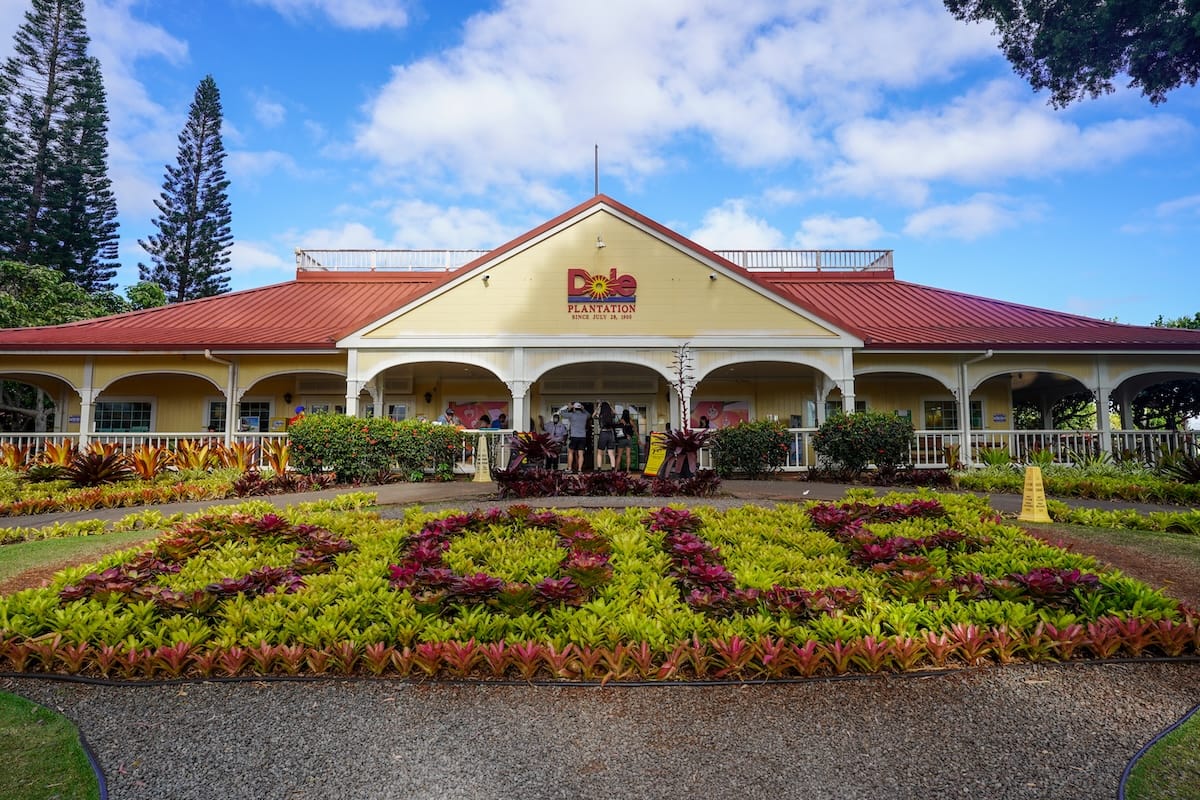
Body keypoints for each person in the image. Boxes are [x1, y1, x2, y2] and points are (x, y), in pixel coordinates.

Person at [561, 402, 590, 473]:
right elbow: (589, 415)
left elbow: (561, 413)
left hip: (574, 436)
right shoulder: (584, 415)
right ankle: (579, 470)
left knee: (570, 452)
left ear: (574, 408)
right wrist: (584, 409)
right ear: (580, 408)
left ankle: (570, 468)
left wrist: (568, 407)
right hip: (582, 437)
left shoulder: (572, 415)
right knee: (581, 454)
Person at [594, 400, 617, 471]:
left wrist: (598, 406)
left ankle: (599, 469)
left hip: (603, 433)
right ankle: (613, 468)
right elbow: (615, 413)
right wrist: (610, 405)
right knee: (611, 453)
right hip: (610, 433)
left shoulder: (600, 415)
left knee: (600, 452)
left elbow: (593, 415)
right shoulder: (611, 415)